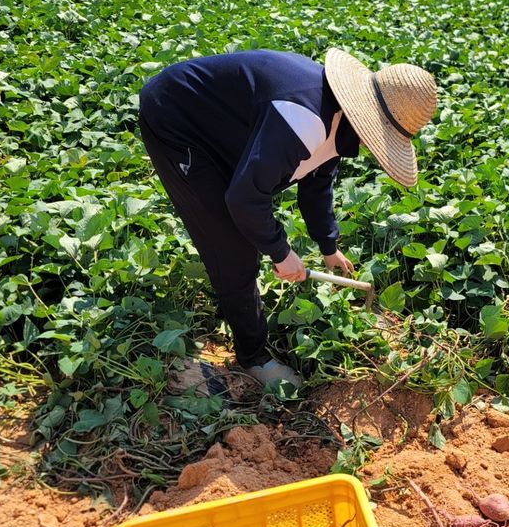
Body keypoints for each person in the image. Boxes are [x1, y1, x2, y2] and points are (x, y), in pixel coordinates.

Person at [138, 47, 437, 387]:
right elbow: (245, 198)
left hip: (225, 126)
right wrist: (280, 252)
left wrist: (328, 246)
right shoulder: (303, 119)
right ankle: (254, 357)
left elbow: (317, 184)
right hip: (177, 115)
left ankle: (241, 310)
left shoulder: (337, 116)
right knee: (230, 244)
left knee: (241, 217)